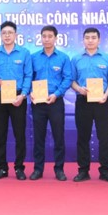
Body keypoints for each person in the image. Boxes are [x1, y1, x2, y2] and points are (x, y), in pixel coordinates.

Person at [71, 27, 108, 183]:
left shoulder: (107, 58)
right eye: (87, 37)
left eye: (93, 38)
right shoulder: (76, 59)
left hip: (102, 101)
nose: (90, 40)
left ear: (99, 40)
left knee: (104, 137)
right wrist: (79, 89)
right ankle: (83, 170)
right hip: (83, 101)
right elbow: (71, 81)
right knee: (82, 137)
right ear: (83, 40)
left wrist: (105, 94)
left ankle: (105, 170)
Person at [0, 21, 32, 181]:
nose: (7, 36)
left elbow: (28, 75)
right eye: (4, 33)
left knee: (20, 133)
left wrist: (23, 95)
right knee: (0, 133)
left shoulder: (24, 53)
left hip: (18, 96)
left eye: (10, 33)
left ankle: (19, 167)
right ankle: (2, 167)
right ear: (0, 35)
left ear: (16, 35)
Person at [29, 25, 72, 181]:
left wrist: (56, 94)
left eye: (50, 36)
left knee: (58, 137)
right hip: (38, 103)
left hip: (55, 102)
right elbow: (28, 77)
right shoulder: (33, 57)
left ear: (55, 38)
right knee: (38, 137)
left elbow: (67, 78)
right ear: (41, 38)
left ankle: (59, 169)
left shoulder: (63, 58)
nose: (46, 39)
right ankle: (38, 169)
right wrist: (30, 92)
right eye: (44, 36)